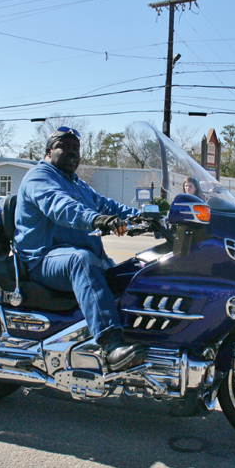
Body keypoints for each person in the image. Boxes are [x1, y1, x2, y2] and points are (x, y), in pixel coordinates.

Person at [14, 127, 144, 371]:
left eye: (76, 148)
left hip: (73, 256)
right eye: (65, 147)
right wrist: (97, 219)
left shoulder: (77, 184)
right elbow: (60, 205)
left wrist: (149, 218)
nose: (72, 152)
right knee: (81, 261)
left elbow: (108, 205)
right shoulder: (39, 177)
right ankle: (111, 345)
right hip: (42, 259)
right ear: (49, 151)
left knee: (137, 270)